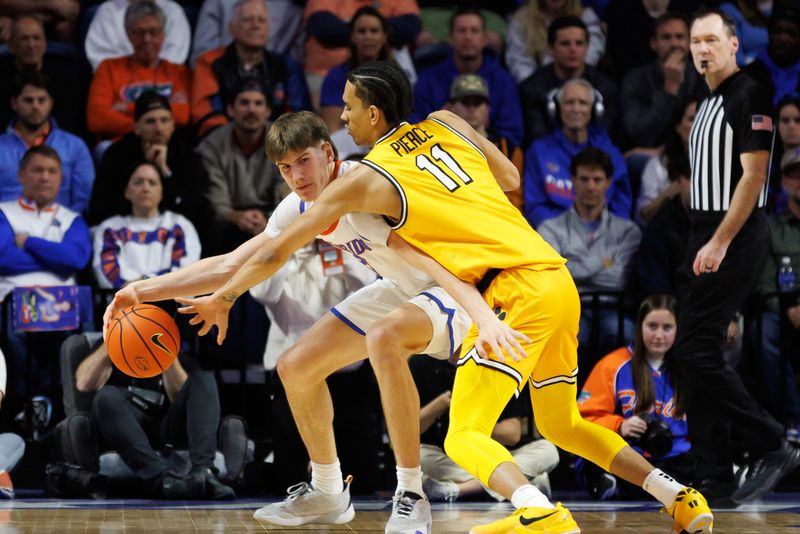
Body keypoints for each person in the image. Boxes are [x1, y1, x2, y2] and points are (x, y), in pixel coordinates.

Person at [162, 61, 713, 534]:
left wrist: (227, 295)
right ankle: (679, 497)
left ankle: (539, 512)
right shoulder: (447, 121)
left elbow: (277, 248)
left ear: (372, 115)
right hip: (555, 275)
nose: (343, 117)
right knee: (561, 424)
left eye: (349, 108)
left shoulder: (364, 177)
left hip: (505, 287)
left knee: (463, 436)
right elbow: (509, 174)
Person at [103, 110, 476, 533]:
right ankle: (329, 491)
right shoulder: (298, 204)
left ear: (328, 153)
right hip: (400, 285)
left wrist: (225, 298)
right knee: (295, 366)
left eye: (303, 160)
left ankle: (411, 495)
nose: (296, 175)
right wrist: (142, 290)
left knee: (384, 338)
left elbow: (266, 260)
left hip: (454, 286)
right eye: (285, 167)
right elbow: (230, 261)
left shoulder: (362, 183)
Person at [674, 7, 800, 505]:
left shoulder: (750, 91)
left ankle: (771, 441)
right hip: (704, 231)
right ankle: (714, 475)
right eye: (695, 42)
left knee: (695, 349)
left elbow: (753, 176)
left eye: (711, 40)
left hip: (735, 233)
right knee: (692, 354)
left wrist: (720, 241)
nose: (702, 49)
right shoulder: (706, 98)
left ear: (733, 45)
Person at [75, 340, 234, 499]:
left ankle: (204, 472)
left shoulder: (169, 346)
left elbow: (186, 400)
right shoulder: (110, 346)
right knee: (106, 396)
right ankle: (163, 481)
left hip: (166, 428)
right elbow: (83, 383)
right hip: (125, 429)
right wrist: (113, 340)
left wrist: (163, 347)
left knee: (203, 379)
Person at [0, 146, 91, 416]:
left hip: (64, 304)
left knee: (77, 339)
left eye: (52, 171)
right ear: (21, 174)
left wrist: (29, 242)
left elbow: (76, 259)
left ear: (60, 179)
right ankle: (27, 401)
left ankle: (46, 401)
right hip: (14, 302)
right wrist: (56, 258)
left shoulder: (71, 219)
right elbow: (4, 257)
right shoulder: (3, 212)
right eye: (37, 170)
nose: (44, 177)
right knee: (14, 337)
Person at [578, 294, 694, 500]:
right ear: (639, 327)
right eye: (652, 326)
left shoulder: (688, 368)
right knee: (590, 460)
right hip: (629, 456)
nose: (659, 335)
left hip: (675, 458)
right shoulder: (613, 365)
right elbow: (581, 420)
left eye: (667, 328)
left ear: (678, 329)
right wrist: (619, 425)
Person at [538, 147, 640, 371]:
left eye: (597, 179)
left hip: (615, 307)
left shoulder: (628, 231)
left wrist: (572, 265)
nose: (590, 186)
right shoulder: (550, 229)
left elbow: (619, 279)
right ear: (572, 180)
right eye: (584, 179)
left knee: (623, 336)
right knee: (566, 340)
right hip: (570, 307)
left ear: (608, 182)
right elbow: (557, 277)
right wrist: (604, 262)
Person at [411, 354, 559, 503]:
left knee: (548, 450)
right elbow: (409, 432)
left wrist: (468, 426)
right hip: (455, 457)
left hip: (503, 455)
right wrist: (442, 403)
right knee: (419, 455)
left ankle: (458, 490)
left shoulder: (498, 362)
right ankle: (525, 485)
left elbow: (512, 434)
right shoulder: (421, 364)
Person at [87, 93, 208, 239]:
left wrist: (164, 171)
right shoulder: (116, 154)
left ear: (173, 125)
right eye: (150, 121)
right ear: (136, 127)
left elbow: (191, 209)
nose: (159, 128)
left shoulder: (188, 157)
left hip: (175, 232)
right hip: (124, 230)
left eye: (164, 120)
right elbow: (101, 205)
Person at [191, 0, 311, 138]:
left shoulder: (287, 66)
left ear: (268, 29)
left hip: (277, 147)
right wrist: (235, 140)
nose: (255, 26)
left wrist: (270, 140)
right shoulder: (209, 63)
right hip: (221, 144)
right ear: (231, 28)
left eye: (261, 21)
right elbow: (206, 113)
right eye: (247, 20)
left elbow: (298, 115)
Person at [523, 78, 631, 228]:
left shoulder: (610, 153)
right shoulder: (539, 152)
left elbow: (621, 206)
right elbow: (535, 207)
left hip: (603, 239)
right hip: (555, 238)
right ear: (556, 108)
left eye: (583, 103)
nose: (576, 108)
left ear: (594, 110)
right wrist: (571, 232)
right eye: (569, 103)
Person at [411, 7, 523, 147]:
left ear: (484, 39)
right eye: (462, 31)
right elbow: (415, 128)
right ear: (450, 38)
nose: (468, 37)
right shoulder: (427, 81)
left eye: (474, 31)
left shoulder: (503, 81)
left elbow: (512, 133)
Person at [86, 1, 191, 143]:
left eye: (153, 32)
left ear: (163, 35)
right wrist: (154, 124)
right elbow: (97, 119)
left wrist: (127, 109)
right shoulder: (108, 68)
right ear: (128, 35)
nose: (147, 39)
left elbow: (183, 116)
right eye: (139, 33)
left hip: (167, 143)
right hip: (122, 143)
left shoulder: (179, 72)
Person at [197, 80, 282, 254]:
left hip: (274, 218)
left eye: (258, 103)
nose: (251, 109)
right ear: (230, 109)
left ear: (267, 111)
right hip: (228, 223)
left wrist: (268, 220)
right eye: (244, 103)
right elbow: (215, 201)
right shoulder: (212, 145)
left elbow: (287, 191)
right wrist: (237, 217)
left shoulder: (283, 142)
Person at [92, 161, 201, 289]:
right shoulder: (110, 228)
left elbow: (186, 273)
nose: (145, 188)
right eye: (138, 182)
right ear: (126, 191)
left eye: (152, 183)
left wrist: (143, 283)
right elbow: (106, 272)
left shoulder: (179, 225)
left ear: (161, 192)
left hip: (171, 306)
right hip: (124, 304)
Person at [753, 147, 800, 443]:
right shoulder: (771, 226)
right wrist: (789, 307)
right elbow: (764, 280)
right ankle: (794, 418)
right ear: (784, 181)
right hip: (782, 309)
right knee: (764, 334)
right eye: (795, 175)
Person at [0, 70, 94, 215]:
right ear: (14, 103)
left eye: (41, 100)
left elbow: (84, 199)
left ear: (51, 103)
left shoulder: (75, 146)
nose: (36, 106)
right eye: (28, 100)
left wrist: (63, 224)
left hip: (60, 227)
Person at [518, 15, 619, 147]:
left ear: (587, 47)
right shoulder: (531, 88)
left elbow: (608, 137)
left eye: (579, 43)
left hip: (595, 157)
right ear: (551, 47)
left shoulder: (606, 87)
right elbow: (537, 138)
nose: (573, 49)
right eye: (565, 43)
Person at [318, 7, 414, 134]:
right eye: (362, 31)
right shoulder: (336, 76)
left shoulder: (398, 77)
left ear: (384, 36)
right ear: (352, 36)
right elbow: (332, 129)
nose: (368, 36)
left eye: (374, 31)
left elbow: (407, 121)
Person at [621, 13, 704, 151]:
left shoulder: (705, 76)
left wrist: (661, 153)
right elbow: (640, 135)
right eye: (666, 37)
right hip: (649, 158)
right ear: (654, 43)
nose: (674, 44)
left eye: (680, 37)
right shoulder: (635, 80)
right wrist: (670, 88)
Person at [0, 15, 90, 137]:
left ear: (45, 44)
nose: (31, 44)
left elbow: (72, 122)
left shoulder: (66, 77)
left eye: (36, 38)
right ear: (11, 45)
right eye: (24, 39)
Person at [445, 74, 523, 209]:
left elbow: (515, 198)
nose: (472, 108)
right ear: (450, 107)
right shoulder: (438, 146)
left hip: (497, 221)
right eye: (465, 102)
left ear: (487, 108)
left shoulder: (508, 149)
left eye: (477, 102)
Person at [505, 0, 605, 83]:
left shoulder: (587, 17)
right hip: (537, 92)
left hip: (582, 86)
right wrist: (537, 89)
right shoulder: (521, 20)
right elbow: (520, 63)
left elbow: (589, 59)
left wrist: (572, 87)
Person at [636, 98, 697, 224]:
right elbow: (642, 217)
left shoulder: (725, 164)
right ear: (678, 127)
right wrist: (668, 194)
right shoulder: (658, 165)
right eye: (692, 119)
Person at [84, 0, 190, 71]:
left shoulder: (173, 11)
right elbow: (101, 59)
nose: (147, 39)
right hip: (117, 86)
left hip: (164, 85)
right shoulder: (107, 12)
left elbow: (174, 58)